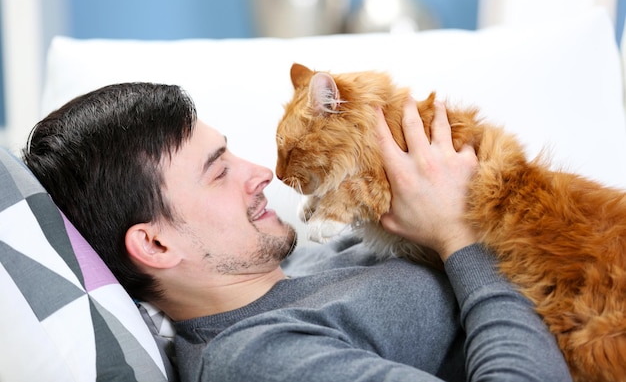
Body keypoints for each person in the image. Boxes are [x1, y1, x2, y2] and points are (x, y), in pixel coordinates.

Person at [22, 82, 572, 382]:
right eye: (219, 171)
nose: (260, 173)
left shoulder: (302, 264)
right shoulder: (255, 357)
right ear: (156, 244)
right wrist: (458, 235)